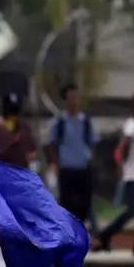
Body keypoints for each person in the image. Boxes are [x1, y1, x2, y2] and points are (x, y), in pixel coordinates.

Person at [96, 96, 134, 255]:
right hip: (133, 174)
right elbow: (121, 147)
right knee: (133, 208)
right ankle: (105, 234)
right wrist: (120, 164)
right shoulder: (132, 124)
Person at [47, 84, 98, 224]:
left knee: (85, 205)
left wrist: (91, 158)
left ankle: (80, 228)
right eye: (71, 97)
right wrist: (56, 163)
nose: (74, 100)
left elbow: (93, 142)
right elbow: (51, 145)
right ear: (65, 100)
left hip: (83, 168)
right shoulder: (59, 122)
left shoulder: (85, 121)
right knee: (67, 205)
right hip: (66, 168)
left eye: (76, 97)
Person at [0, 93, 36, 168]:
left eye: (15, 112)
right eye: (10, 112)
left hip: (21, 169)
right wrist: (11, 143)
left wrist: (31, 154)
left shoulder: (24, 127)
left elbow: (32, 148)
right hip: (2, 169)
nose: (13, 116)